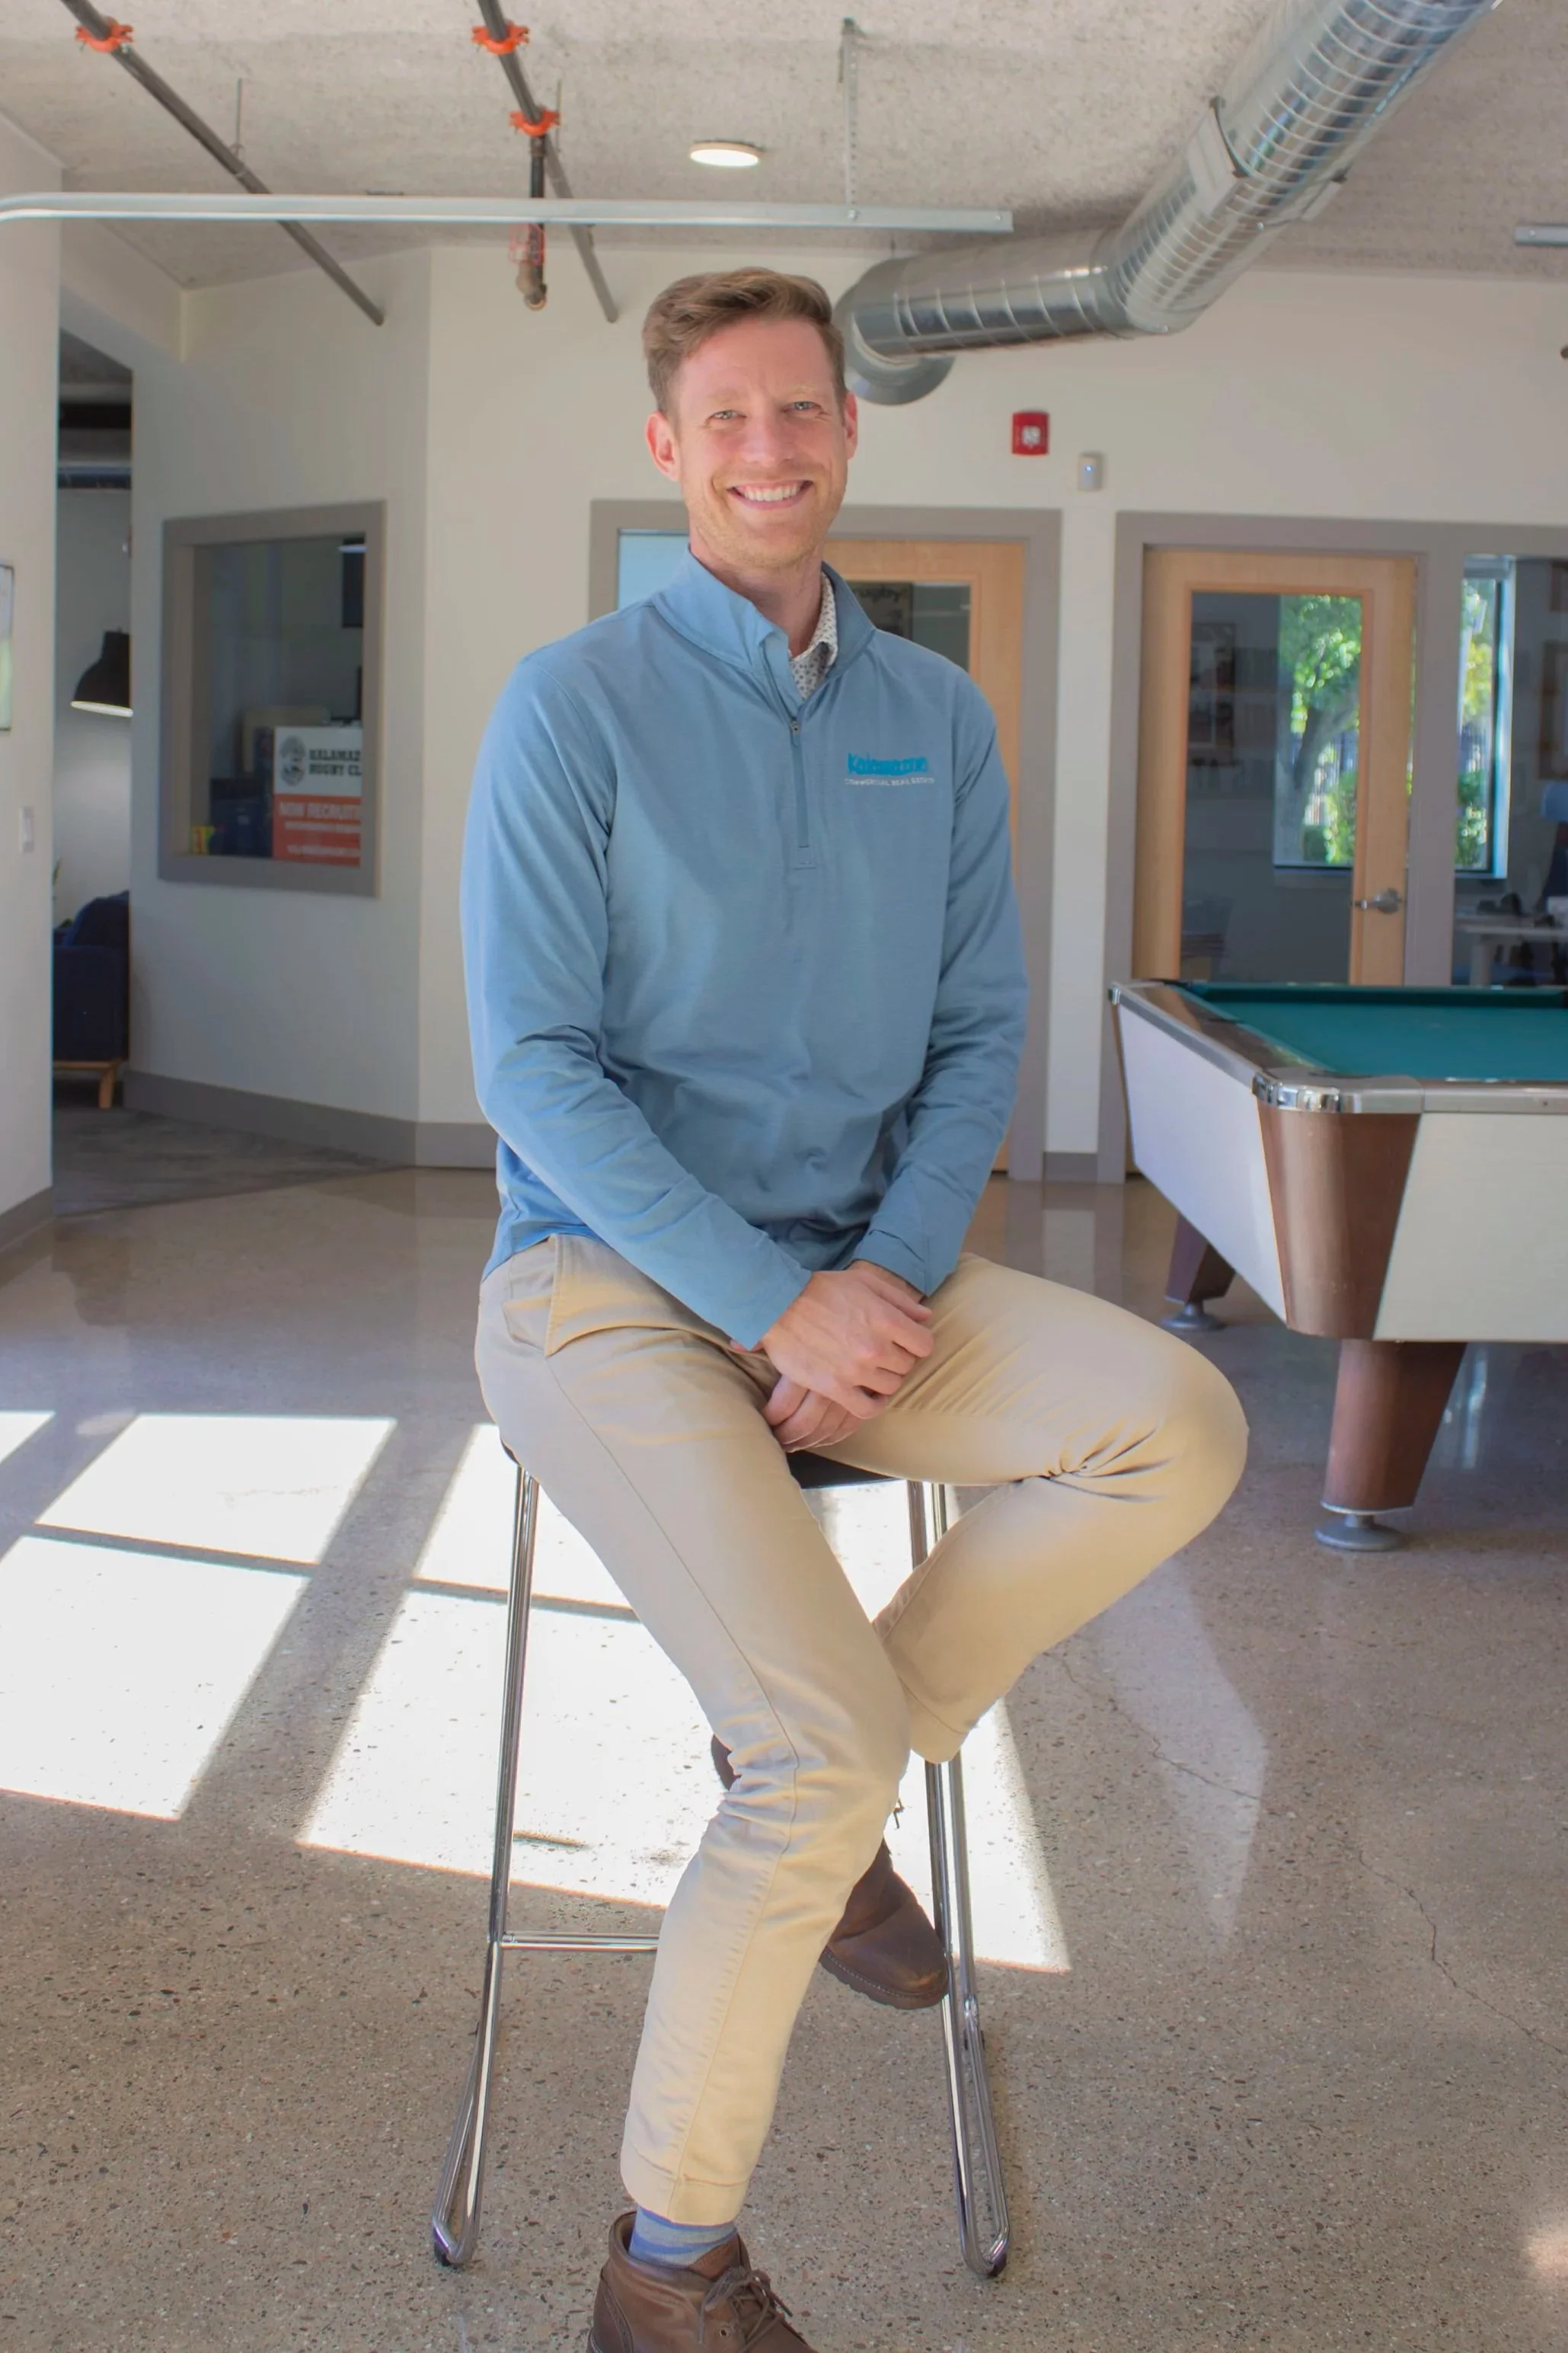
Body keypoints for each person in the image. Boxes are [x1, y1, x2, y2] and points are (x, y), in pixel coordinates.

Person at [461, 267, 1247, 2353]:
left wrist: (873, 1287)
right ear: (668, 447)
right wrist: (762, 1302)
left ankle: (823, 1767)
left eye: (798, 411)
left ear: (846, 431)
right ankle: (667, 2267)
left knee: (1181, 1425)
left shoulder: (937, 721)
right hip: (602, 1285)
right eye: (723, 418)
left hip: (868, 1268)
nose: (767, 449)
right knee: (812, 1764)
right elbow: (533, 1066)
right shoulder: (574, 705)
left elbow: (980, 1024)